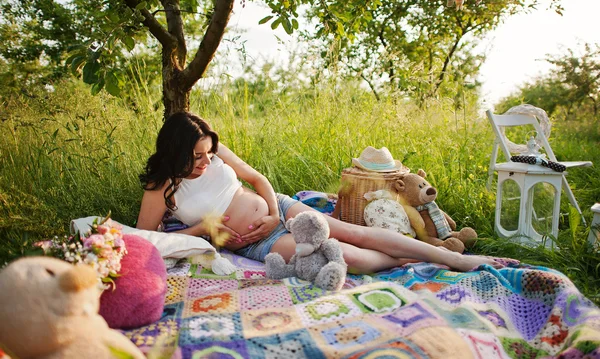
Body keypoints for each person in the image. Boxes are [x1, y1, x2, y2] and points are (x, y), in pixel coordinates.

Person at [137, 112, 501, 274]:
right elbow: (149, 239)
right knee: (345, 257)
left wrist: (272, 214)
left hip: (276, 208)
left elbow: (258, 178)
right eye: (196, 157)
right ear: (174, 152)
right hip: (251, 242)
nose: (205, 161)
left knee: (353, 232)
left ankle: (457, 261)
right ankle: (413, 260)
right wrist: (201, 231)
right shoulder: (160, 187)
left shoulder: (213, 151)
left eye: (208, 154)